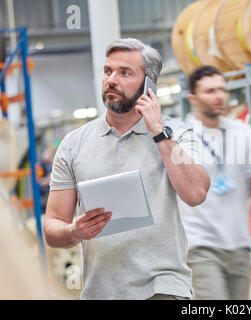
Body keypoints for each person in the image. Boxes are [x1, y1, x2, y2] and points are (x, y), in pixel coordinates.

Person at [43, 38, 210, 300]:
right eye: (108, 71)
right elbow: (53, 227)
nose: (111, 80)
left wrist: (158, 132)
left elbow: (196, 192)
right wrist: (73, 232)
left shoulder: (175, 133)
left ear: (149, 85)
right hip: (100, 291)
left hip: (162, 284)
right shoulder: (74, 145)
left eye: (124, 73)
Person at [178, 65, 251, 300]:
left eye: (222, 89)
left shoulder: (244, 133)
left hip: (239, 243)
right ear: (193, 98)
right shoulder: (180, 136)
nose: (219, 96)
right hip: (199, 244)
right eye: (210, 91)